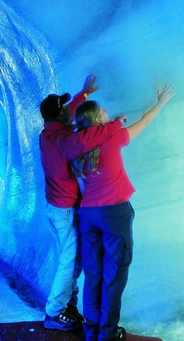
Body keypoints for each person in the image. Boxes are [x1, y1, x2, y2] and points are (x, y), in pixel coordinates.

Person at [71, 84, 175, 341]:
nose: (107, 110)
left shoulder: (77, 148)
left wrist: (114, 121)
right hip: (114, 213)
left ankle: (91, 331)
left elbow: (82, 187)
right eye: (103, 110)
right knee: (114, 276)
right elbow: (145, 121)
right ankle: (107, 334)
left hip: (88, 215)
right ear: (98, 119)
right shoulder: (113, 137)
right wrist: (161, 102)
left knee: (93, 275)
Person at [39, 74, 127, 332]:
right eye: (65, 107)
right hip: (65, 211)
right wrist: (115, 124)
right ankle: (54, 313)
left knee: (72, 260)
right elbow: (90, 138)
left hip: (58, 208)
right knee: (70, 262)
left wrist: (85, 93)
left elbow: (72, 111)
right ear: (59, 115)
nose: (70, 108)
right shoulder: (64, 141)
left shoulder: (50, 132)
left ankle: (66, 304)